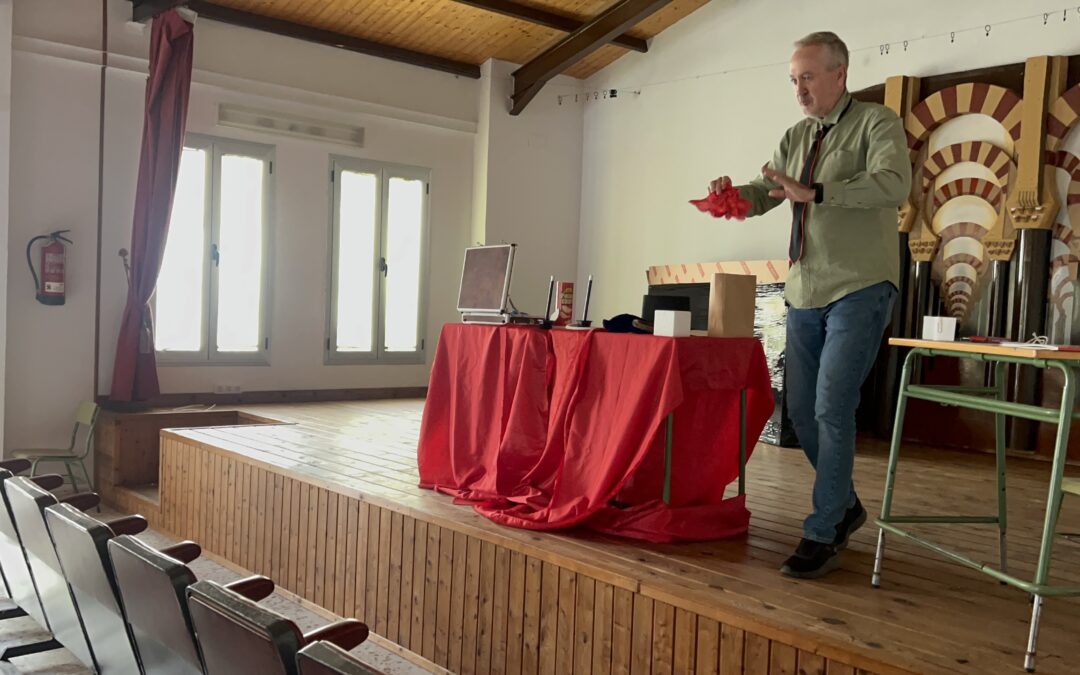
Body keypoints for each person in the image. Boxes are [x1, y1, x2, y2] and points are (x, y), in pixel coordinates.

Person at [709, 31, 911, 578]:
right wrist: (736, 199)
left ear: (839, 74)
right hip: (803, 288)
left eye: (808, 76)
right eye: (793, 79)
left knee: (830, 406)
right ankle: (845, 505)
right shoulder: (796, 135)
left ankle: (823, 529)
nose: (798, 88)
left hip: (860, 285)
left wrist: (818, 191)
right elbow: (768, 188)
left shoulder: (877, 123)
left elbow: (894, 185)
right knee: (800, 413)